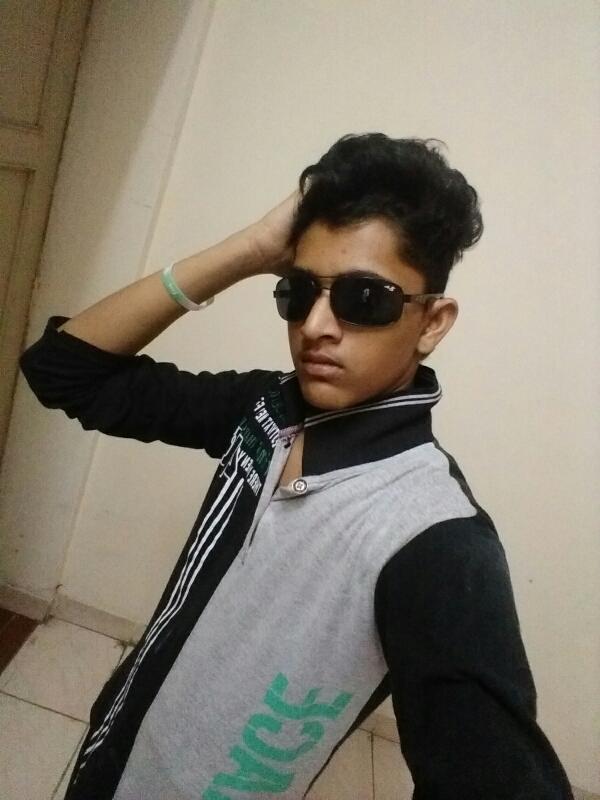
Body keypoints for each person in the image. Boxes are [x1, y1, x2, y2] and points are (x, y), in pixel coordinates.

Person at [19, 133, 574, 799]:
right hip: (114, 749)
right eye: (300, 291)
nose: (315, 325)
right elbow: (63, 372)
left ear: (432, 322)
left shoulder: (435, 538)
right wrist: (250, 249)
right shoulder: (267, 411)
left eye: (363, 298)